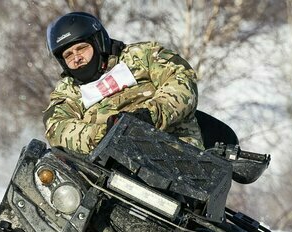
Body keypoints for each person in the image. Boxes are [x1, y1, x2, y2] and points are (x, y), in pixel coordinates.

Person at [43, 12, 204, 155]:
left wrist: (149, 116)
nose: (76, 58)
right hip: (109, 166)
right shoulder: (68, 90)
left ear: (98, 42)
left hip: (174, 149)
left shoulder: (143, 55)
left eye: (82, 48)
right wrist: (108, 133)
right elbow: (56, 127)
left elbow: (181, 80)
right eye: (68, 55)